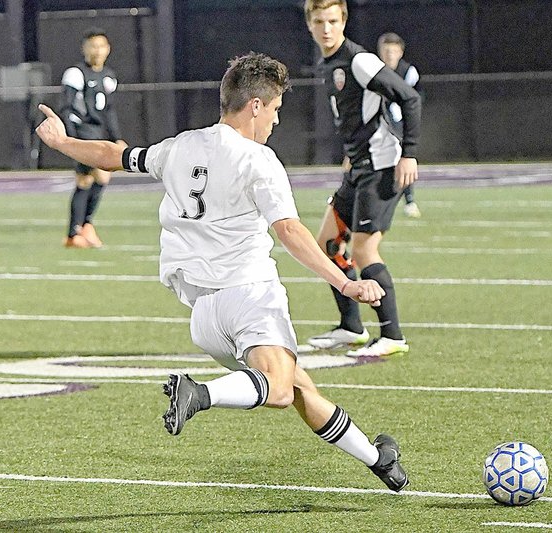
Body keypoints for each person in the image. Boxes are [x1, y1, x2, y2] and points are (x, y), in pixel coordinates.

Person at [35, 52, 409, 492]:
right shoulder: (259, 160)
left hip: (204, 316)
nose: (275, 121)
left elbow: (112, 155)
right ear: (255, 105)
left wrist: (61, 143)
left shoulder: (179, 147)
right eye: (274, 109)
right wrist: (345, 282)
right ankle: (201, 394)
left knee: (301, 389)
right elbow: (288, 230)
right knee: (280, 389)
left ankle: (378, 459)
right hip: (248, 296)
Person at [304, 0, 421, 356]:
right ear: (310, 24)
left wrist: (410, 152)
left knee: (364, 248)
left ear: (344, 21)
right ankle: (351, 327)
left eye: (333, 21)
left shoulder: (360, 60)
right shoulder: (327, 62)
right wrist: (350, 155)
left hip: (382, 166)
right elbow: (356, 116)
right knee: (327, 243)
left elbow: (409, 97)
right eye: (320, 21)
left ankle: (392, 335)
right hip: (357, 167)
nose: (327, 28)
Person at [58, 28, 126, 248]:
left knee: (94, 179)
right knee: (91, 178)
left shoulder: (108, 76)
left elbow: (109, 111)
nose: (97, 51)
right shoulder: (75, 74)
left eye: (101, 46)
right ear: (84, 49)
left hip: (96, 132)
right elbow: (66, 107)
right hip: (82, 131)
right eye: (93, 46)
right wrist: (71, 138)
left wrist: (117, 138)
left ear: (108, 49)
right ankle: (78, 230)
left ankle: (79, 229)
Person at [378, 31, 422, 219]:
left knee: (402, 160)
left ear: (401, 52)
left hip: (398, 123)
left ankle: (409, 200)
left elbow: (415, 98)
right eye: (386, 51)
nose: (390, 55)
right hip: (377, 123)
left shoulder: (408, 72)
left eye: (393, 51)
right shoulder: (374, 70)